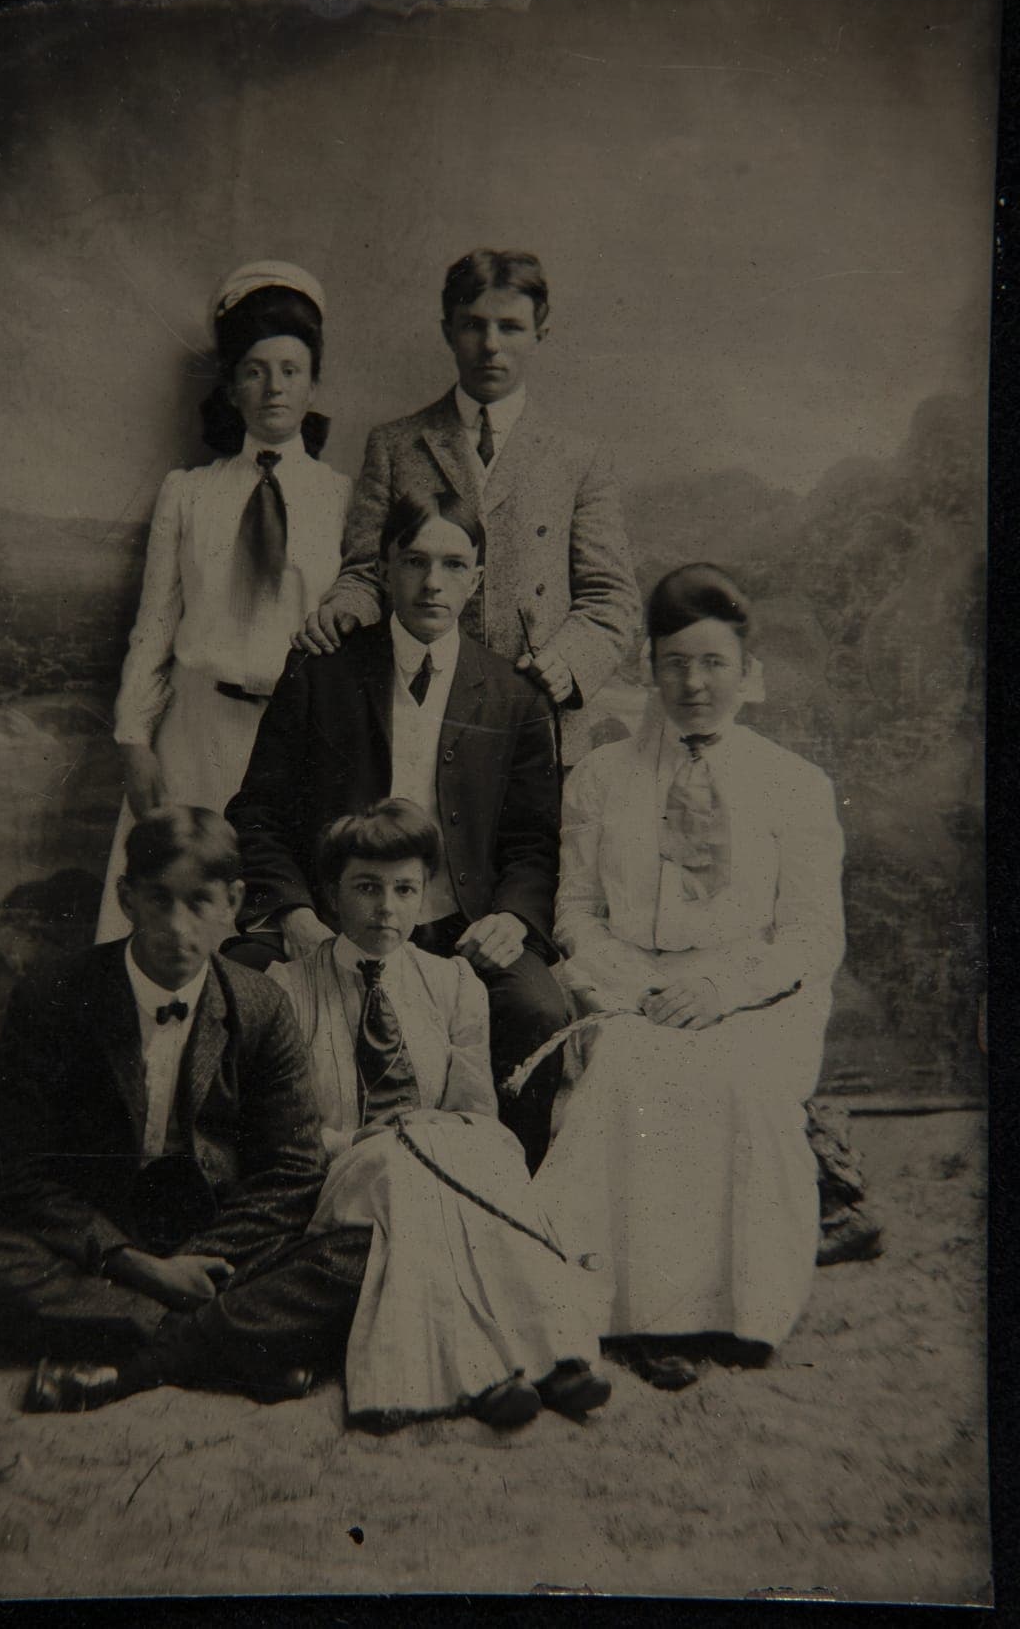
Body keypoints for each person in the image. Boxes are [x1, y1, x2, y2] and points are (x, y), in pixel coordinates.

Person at [0, 806, 371, 1413]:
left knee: (361, 1258)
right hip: (99, 1235)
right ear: (127, 899)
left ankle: (135, 1362)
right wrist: (137, 1266)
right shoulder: (53, 995)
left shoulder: (261, 1005)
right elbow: (7, 1172)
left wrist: (200, 1261)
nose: (176, 927)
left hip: (218, 1237)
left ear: (233, 901)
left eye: (199, 902)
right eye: (158, 900)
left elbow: (294, 1169)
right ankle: (229, 1346)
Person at [533, 564, 846, 1389]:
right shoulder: (601, 778)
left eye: (713, 663)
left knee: (740, 1080)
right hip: (630, 984)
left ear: (748, 671)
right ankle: (644, 1314)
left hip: (751, 991)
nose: (695, 683)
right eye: (675, 663)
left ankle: (743, 1308)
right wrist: (636, 990)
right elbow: (576, 913)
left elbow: (812, 934)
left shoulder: (795, 786)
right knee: (630, 1075)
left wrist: (720, 991)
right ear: (648, 668)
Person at [226, 486, 569, 1169]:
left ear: (476, 580)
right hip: (334, 917)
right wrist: (294, 913)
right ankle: (266, 1186)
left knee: (538, 1009)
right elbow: (257, 813)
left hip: (460, 926)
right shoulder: (323, 673)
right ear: (383, 568)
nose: (432, 582)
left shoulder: (515, 696)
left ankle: (507, 1191)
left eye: (453, 565)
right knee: (238, 988)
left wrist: (511, 918)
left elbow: (535, 841)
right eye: (414, 561)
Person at [269, 798, 610, 1429]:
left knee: (471, 1157)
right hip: (344, 1173)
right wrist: (358, 1140)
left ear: (424, 894)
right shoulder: (287, 989)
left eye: (404, 889)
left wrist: (430, 1133)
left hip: (434, 1165)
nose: (387, 908)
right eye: (366, 888)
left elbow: (477, 1115)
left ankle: (554, 1356)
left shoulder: (453, 982)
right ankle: (468, 1375)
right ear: (331, 896)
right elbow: (285, 1135)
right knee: (404, 1167)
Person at [293, 248, 641, 747]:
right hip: (416, 711)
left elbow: (611, 596)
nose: (491, 345)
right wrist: (344, 612)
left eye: (511, 327)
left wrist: (566, 664)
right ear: (448, 331)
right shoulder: (395, 445)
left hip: (534, 717)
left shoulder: (577, 458)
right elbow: (366, 572)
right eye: (473, 325)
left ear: (540, 334)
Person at [95, 260, 350, 940]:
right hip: (194, 736)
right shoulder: (190, 493)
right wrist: (134, 740)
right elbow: (155, 626)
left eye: (291, 370)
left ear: (314, 383)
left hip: (293, 742)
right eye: (255, 371)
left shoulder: (341, 499)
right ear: (232, 386)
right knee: (181, 922)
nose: (274, 388)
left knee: (275, 932)